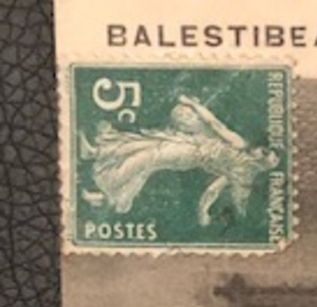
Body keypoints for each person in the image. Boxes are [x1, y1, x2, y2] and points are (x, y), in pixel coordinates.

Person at [80, 93, 279, 226]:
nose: (260, 149)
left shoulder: (241, 158)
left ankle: (106, 188)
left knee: (148, 157)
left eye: (264, 154)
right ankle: (97, 157)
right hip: (191, 143)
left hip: (189, 153)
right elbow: (214, 127)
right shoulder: (242, 163)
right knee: (146, 146)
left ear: (262, 164)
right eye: (265, 149)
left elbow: (213, 189)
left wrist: (203, 212)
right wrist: (204, 212)